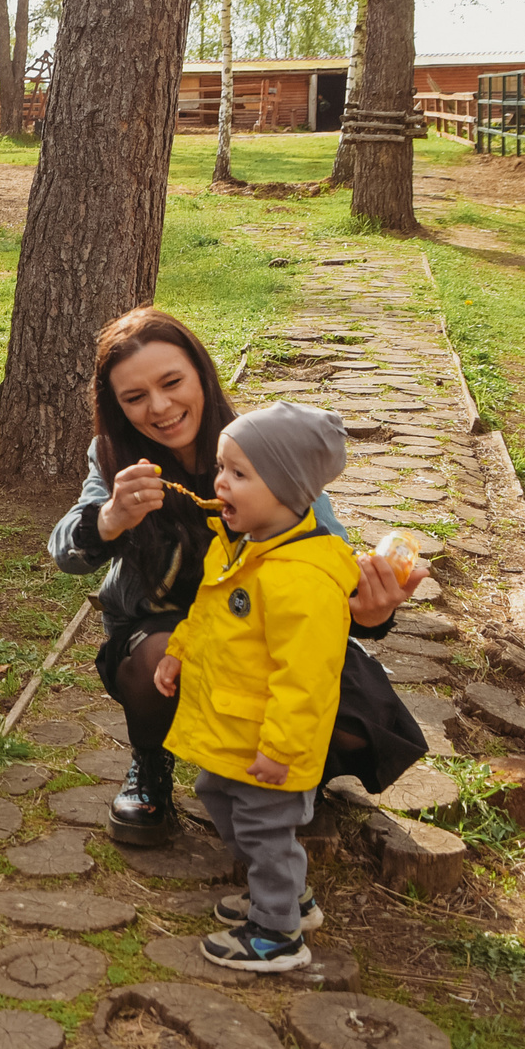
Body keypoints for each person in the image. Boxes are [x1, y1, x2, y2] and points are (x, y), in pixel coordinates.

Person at [48, 307, 423, 846]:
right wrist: (109, 520)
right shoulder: (115, 458)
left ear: (202, 372)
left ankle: (284, 780)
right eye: (134, 398)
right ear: (117, 407)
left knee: (357, 724)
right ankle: (151, 766)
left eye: (172, 382)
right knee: (159, 662)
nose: (159, 407)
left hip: (266, 633)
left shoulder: (266, 444)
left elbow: (327, 553)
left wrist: (367, 612)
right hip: (166, 629)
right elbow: (66, 551)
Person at [156, 401, 358, 971]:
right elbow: (207, 613)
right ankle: (289, 894)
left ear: (290, 491)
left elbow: (308, 680)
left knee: (266, 831)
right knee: (217, 796)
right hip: (231, 728)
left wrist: (283, 749)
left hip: (270, 742)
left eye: (240, 474)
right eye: (222, 467)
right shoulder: (235, 546)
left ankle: (277, 933)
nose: (220, 482)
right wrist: (178, 652)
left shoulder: (302, 581)